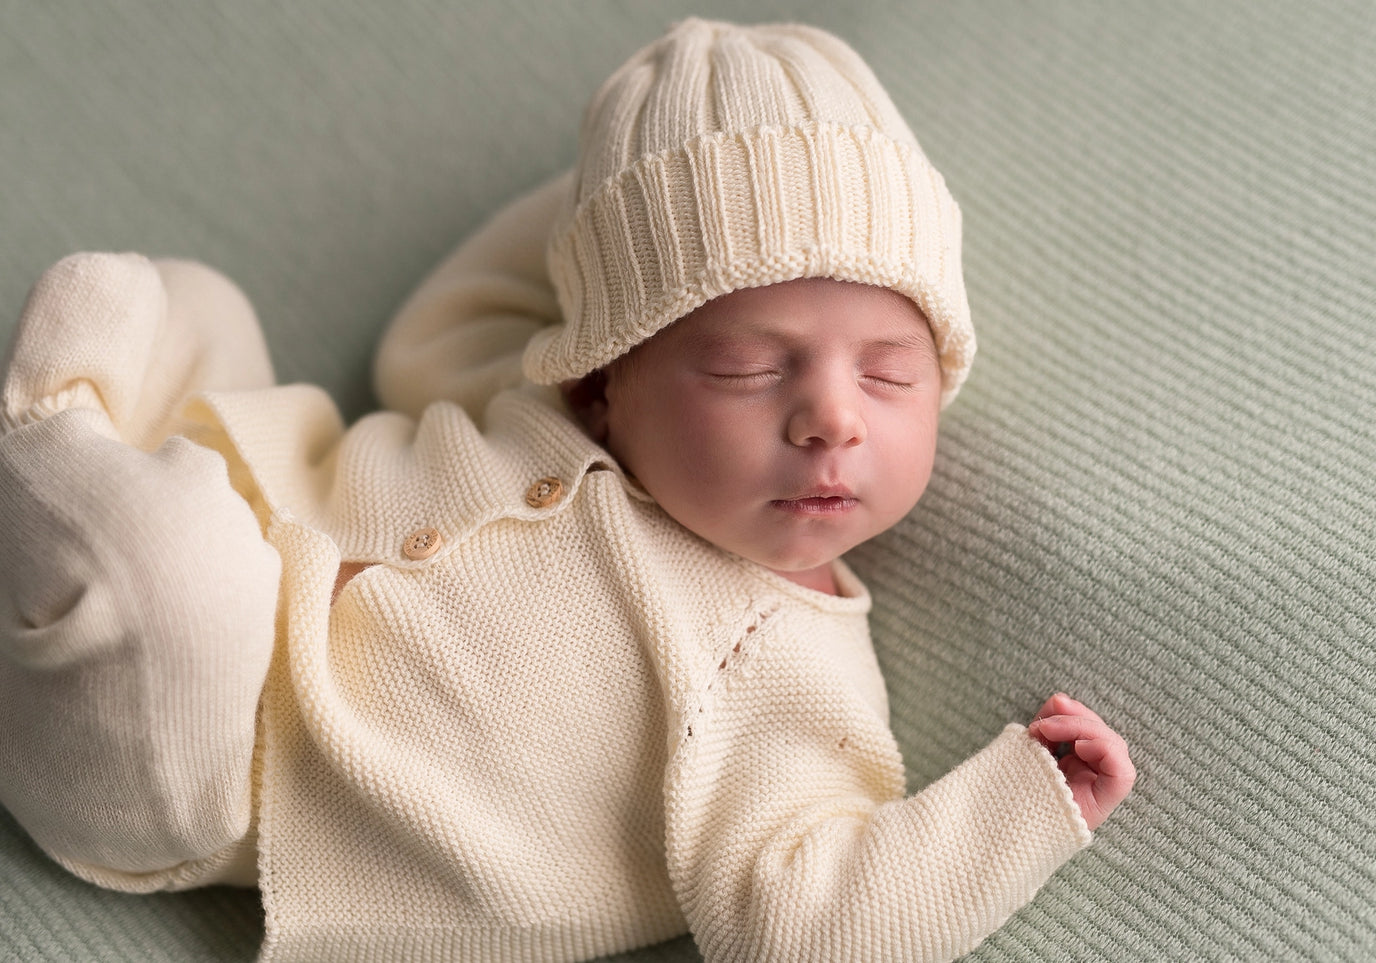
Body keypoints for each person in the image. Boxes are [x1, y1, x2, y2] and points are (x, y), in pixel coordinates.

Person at [0, 18, 1134, 963]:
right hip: (269, 512)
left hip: (212, 762)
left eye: (889, 373)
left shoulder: (780, 665)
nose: (832, 416)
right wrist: (639, 188)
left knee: (165, 573)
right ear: (605, 375)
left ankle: (44, 439)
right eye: (745, 365)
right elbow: (432, 330)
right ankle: (71, 484)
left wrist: (1019, 812)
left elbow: (795, 924)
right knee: (199, 309)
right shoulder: (539, 382)